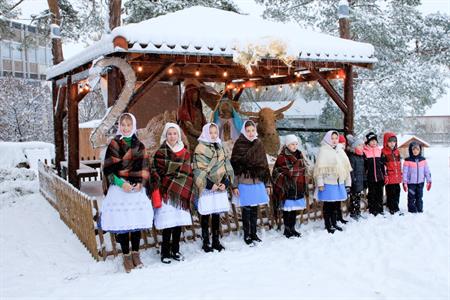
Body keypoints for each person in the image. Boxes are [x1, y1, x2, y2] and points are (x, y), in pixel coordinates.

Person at [101, 113, 154, 273]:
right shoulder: (114, 144)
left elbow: (145, 168)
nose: (125, 128)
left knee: (135, 223)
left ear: (133, 126)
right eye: (123, 125)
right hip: (120, 189)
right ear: (119, 126)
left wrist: (140, 183)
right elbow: (108, 170)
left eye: (128, 125)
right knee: (123, 223)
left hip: (136, 189)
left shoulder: (140, 146)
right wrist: (120, 183)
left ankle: (136, 254)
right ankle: (126, 255)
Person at [151, 123, 194, 264]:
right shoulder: (160, 152)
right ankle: (165, 252)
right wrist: (168, 181)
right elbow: (156, 172)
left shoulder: (185, 152)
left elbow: (187, 172)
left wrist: (176, 179)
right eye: (169, 133)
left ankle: (175, 250)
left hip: (180, 192)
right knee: (168, 224)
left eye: (175, 133)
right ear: (165, 135)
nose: (172, 136)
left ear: (178, 135)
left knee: (177, 224)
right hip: (166, 192)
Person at [193, 123, 235, 252]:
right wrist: (210, 185)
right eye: (210, 132)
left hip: (219, 185)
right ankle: (206, 242)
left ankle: (216, 241)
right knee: (206, 215)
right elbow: (198, 170)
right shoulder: (199, 149)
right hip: (207, 187)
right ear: (205, 133)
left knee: (216, 214)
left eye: (215, 132)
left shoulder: (220, 147)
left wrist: (225, 183)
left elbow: (225, 165)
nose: (213, 135)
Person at [230, 120, 271, 245]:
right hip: (244, 182)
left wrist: (268, 183)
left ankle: (254, 233)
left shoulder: (259, 144)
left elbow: (264, 166)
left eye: (253, 130)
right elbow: (235, 168)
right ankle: (247, 235)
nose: (251, 133)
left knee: (254, 209)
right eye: (248, 131)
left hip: (257, 182)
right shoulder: (239, 145)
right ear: (244, 131)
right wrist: (235, 185)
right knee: (246, 210)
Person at [314, 130, 352, 234]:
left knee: (336, 205)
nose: (335, 140)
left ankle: (334, 223)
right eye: (332, 138)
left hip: (338, 183)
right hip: (328, 183)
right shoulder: (323, 151)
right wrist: (320, 183)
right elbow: (319, 169)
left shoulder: (340, 150)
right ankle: (328, 224)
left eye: (336, 138)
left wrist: (348, 183)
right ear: (327, 139)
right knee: (328, 206)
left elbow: (346, 167)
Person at [272, 134, 307, 238]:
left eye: (296, 144)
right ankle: (287, 230)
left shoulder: (300, 155)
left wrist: (296, 172)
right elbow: (276, 173)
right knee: (288, 210)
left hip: (297, 187)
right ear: (287, 145)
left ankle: (293, 228)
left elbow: (303, 170)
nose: (295, 146)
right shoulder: (282, 157)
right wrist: (286, 178)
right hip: (287, 187)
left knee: (294, 210)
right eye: (292, 144)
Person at [402, 142, 432, 213]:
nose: (415, 151)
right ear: (411, 150)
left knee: (419, 196)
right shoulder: (407, 160)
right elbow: (405, 173)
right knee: (411, 197)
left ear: (420, 150)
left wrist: (429, 181)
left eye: (417, 149)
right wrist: (404, 183)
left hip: (420, 183)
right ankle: (412, 209)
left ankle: (419, 208)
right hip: (411, 183)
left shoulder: (423, 160)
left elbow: (427, 171)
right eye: (413, 149)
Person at [363, 132, 385, 216]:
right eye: (371, 141)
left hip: (379, 177)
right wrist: (365, 178)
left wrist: (383, 176)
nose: (374, 142)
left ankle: (380, 208)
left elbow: (382, 165)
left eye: (375, 140)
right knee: (372, 193)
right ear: (368, 142)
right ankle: (372, 209)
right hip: (370, 177)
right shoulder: (365, 152)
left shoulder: (379, 151)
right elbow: (364, 167)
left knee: (379, 193)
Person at [346, 134, 366, 220]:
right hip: (354, 182)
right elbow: (351, 171)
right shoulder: (352, 157)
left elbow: (363, 170)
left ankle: (358, 212)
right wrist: (353, 180)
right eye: (359, 145)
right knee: (353, 198)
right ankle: (353, 212)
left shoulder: (361, 157)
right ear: (354, 147)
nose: (362, 147)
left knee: (358, 198)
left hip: (360, 181)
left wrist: (364, 180)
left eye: (362, 145)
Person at [381, 132, 402, 214]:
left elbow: (399, 163)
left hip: (397, 177)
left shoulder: (397, 152)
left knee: (397, 192)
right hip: (390, 177)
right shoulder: (384, 152)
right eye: (390, 142)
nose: (392, 143)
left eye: (394, 141)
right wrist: (385, 175)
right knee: (391, 193)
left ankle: (396, 205)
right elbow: (383, 166)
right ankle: (393, 208)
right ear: (386, 142)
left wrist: (401, 173)